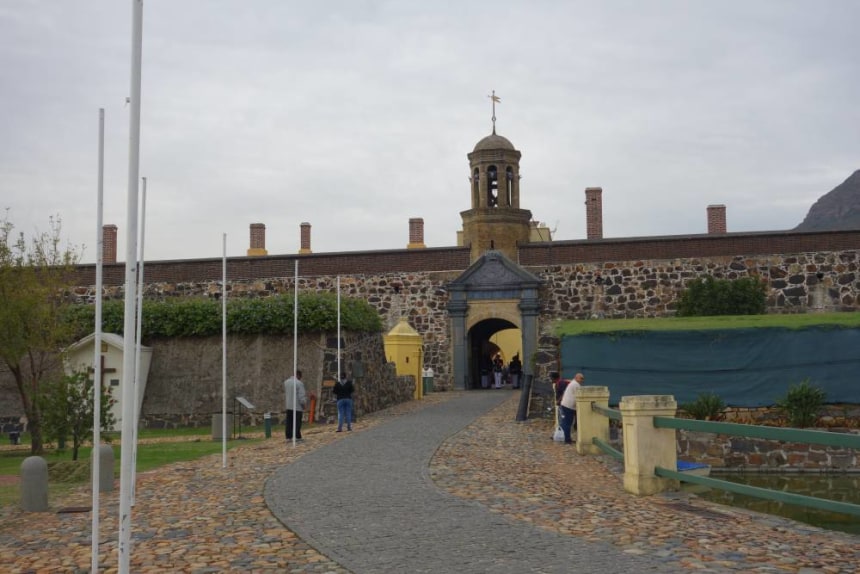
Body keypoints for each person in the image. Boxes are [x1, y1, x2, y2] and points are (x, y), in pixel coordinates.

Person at [559, 373, 584, 444]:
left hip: (565, 405)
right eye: (581, 378)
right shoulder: (576, 385)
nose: (582, 380)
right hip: (569, 406)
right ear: (576, 378)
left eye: (583, 379)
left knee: (565, 422)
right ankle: (567, 439)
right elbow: (580, 395)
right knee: (568, 423)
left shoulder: (573, 383)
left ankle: (563, 437)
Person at [283, 369, 307, 441]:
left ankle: (288, 436)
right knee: (297, 422)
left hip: (289, 405)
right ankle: (296, 436)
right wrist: (303, 404)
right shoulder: (299, 383)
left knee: (289, 422)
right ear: (299, 375)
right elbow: (301, 395)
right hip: (297, 406)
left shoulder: (286, 382)